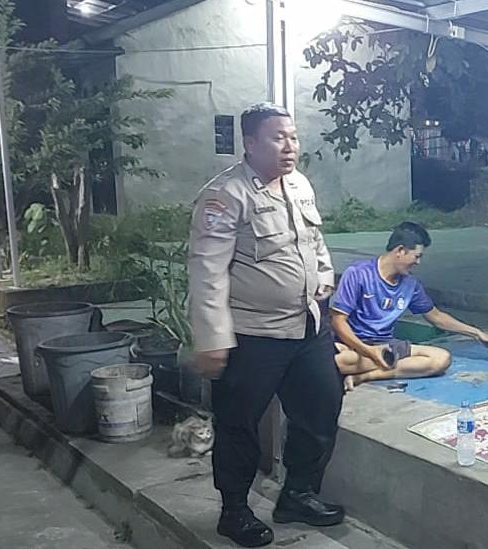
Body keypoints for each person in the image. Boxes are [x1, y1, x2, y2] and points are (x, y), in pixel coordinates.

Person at [187, 103, 344, 548]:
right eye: (278, 138)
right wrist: (212, 339)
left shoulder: (299, 184)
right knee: (239, 424)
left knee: (321, 408)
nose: (290, 146)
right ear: (251, 143)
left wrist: (324, 278)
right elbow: (207, 271)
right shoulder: (225, 196)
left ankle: (298, 494)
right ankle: (234, 511)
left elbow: (315, 241)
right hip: (253, 334)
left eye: (293, 137)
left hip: (306, 326)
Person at [331, 221, 488, 390]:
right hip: (354, 344)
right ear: (400, 250)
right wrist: (368, 351)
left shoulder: (410, 284)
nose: (418, 262)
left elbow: (436, 317)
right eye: (416, 256)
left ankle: (363, 376)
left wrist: (477, 333)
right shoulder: (358, 274)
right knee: (341, 360)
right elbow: (338, 321)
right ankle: (374, 364)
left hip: (388, 346)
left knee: (441, 359)